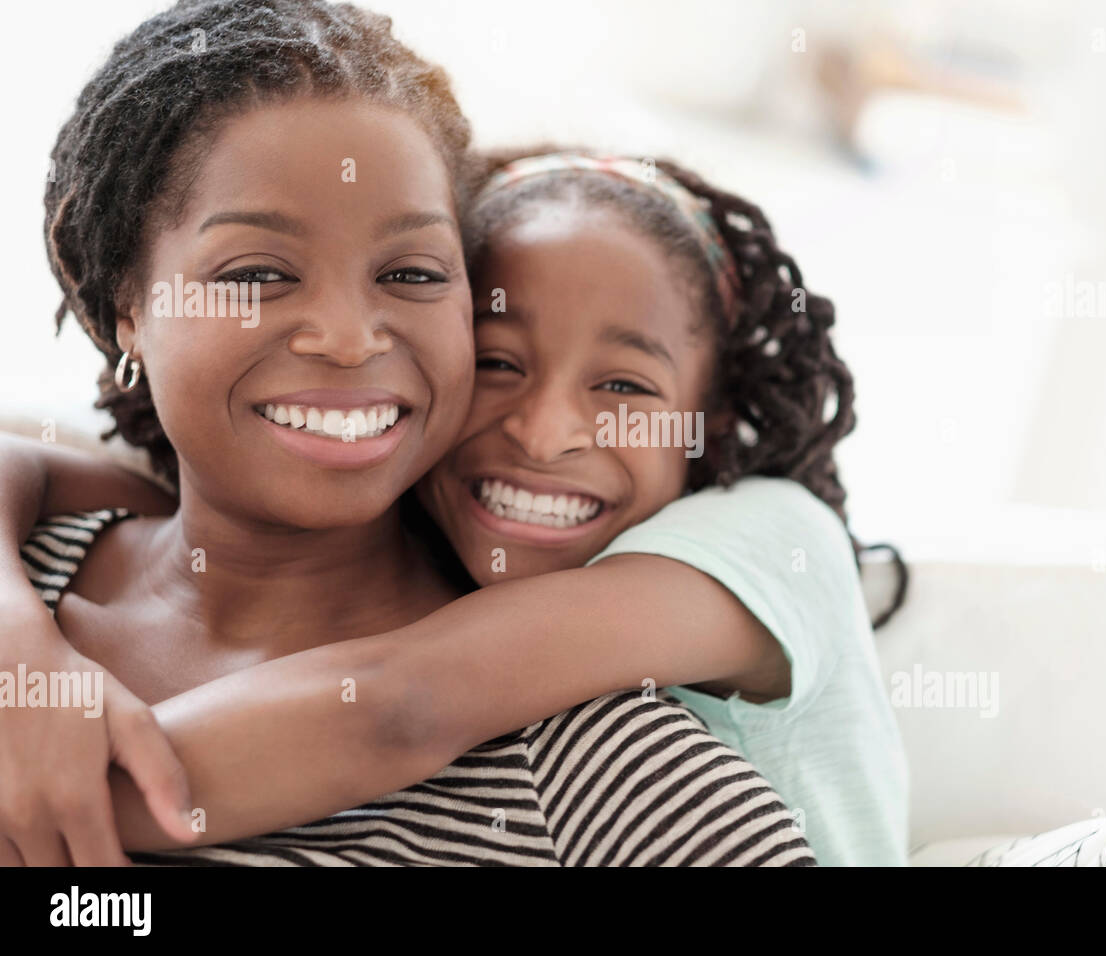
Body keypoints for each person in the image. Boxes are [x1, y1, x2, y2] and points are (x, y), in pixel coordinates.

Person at [0, 0, 814, 867]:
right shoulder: (34, 566)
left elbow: (401, 708)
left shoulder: (595, 766)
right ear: (126, 304)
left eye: (412, 273)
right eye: (260, 273)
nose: (349, 337)